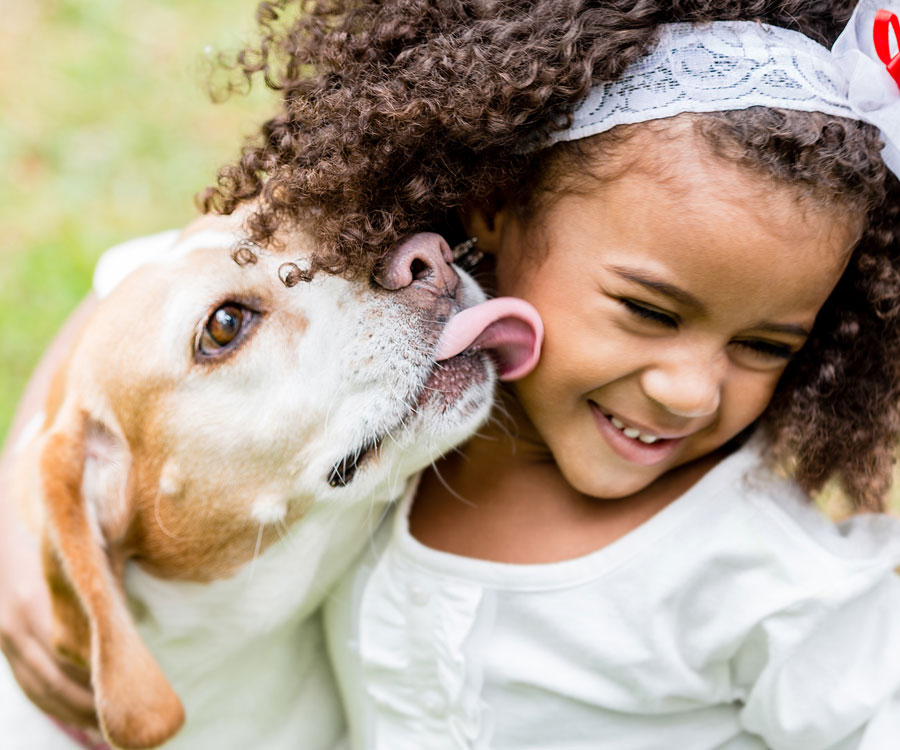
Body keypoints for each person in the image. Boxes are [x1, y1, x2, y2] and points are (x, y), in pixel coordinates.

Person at [3, 0, 900, 748]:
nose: (688, 390)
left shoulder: (755, 568)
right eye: (230, 327)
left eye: (767, 345)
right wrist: (31, 502)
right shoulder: (444, 365)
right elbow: (146, 282)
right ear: (492, 203)